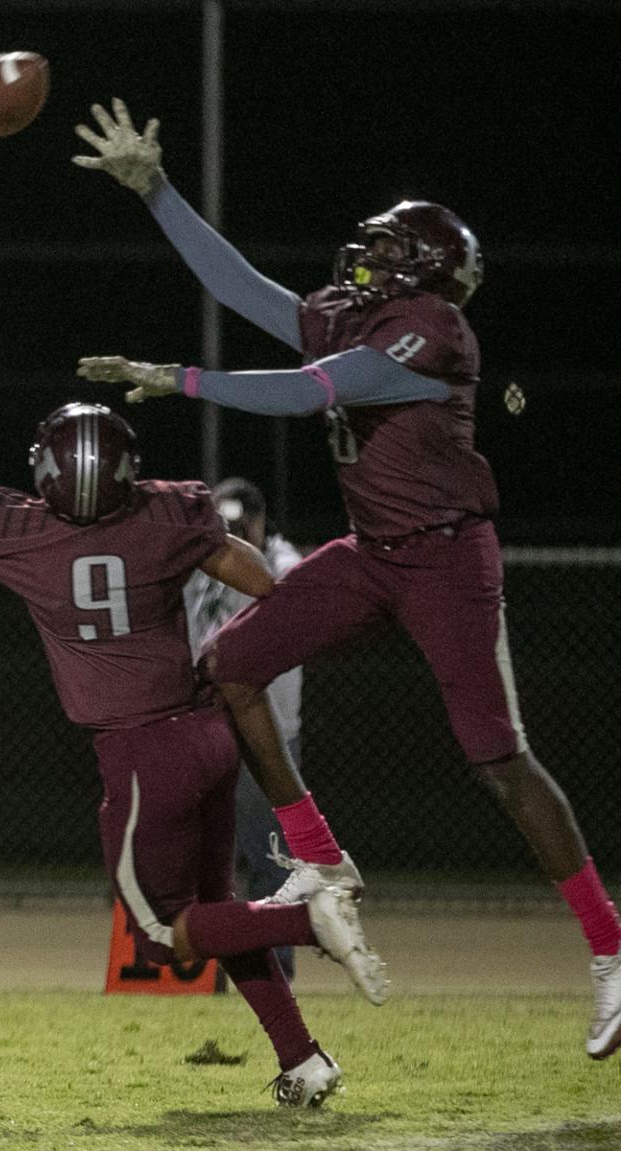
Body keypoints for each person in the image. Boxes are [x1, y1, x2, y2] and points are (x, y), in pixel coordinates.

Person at [72, 98, 621, 1060]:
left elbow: (312, 392)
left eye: (380, 253)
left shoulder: (434, 330)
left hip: (448, 557)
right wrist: (153, 191)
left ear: (421, 274)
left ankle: (612, 949)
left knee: (498, 760)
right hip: (372, 553)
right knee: (230, 662)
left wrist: (183, 379)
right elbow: (241, 287)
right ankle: (318, 859)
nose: (356, 264)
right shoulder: (353, 311)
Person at [0, 280, 388, 1108]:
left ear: (44, 471)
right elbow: (262, 586)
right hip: (213, 731)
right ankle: (304, 1058)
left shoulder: (24, 535)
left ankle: (308, 918)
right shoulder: (169, 511)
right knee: (219, 908)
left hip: (143, 753)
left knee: (160, 927)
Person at [184, 478, 303, 978]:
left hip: (266, 728)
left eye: (238, 524)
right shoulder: (195, 558)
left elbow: (287, 604)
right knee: (201, 850)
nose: (228, 532)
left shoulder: (284, 562)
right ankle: (203, 967)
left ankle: (274, 966)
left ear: (257, 522)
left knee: (269, 854)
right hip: (201, 724)